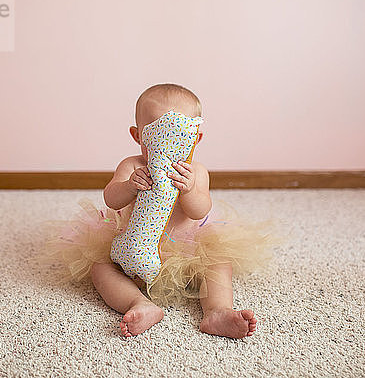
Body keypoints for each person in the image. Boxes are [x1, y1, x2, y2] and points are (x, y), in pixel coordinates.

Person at [39, 83, 276, 339]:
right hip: (132, 251)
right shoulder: (132, 165)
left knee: (219, 263)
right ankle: (138, 303)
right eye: (156, 133)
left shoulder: (196, 171)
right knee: (100, 268)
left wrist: (189, 190)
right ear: (138, 135)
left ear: (195, 138)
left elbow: (200, 211)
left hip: (187, 253)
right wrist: (129, 186)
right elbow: (111, 199)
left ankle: (218, 311)